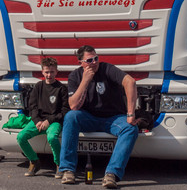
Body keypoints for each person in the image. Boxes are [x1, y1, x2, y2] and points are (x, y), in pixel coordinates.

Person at [59, 45, 139, 188]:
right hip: (89, 118)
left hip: (113, 118)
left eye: (96, 58)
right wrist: (85, 81)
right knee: (71, 117)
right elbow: (73, 106)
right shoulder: (74, 76)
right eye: (90, 60)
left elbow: (130, 82)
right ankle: (67, 170)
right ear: (81, 63)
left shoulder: (107, 69)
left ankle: (111, 174)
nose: (94, 62)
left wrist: (130, 114)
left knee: (130, 128)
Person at [17, 57, 69, 177]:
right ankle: (34, 161)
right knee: (21, 137)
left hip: (54, 121)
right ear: (42, 72)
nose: (49, 75)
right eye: (46, 72)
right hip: (38, 121)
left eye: (51, 72)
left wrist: (48, 121)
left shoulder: (61, 88)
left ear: (56, 71)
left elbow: (64, 111)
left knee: (52, 138)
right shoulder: (38, 87)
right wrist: (37, 121)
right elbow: (32, 107)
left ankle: (59, 165)